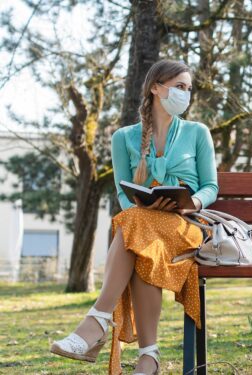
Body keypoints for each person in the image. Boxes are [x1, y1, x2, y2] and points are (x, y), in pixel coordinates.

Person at [50, 60, 218, 375]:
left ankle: (96, 325)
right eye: (179, 86)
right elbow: (124, 195)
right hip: (144, 223)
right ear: (155, 87)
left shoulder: (198, 132)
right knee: (139, 234)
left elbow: (211, 187)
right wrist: (145, 207)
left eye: (188, 88)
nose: (185, 94)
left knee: (134, 228)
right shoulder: (123, 138)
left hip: (187, 224)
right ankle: (148, 359)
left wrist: (189, 202)